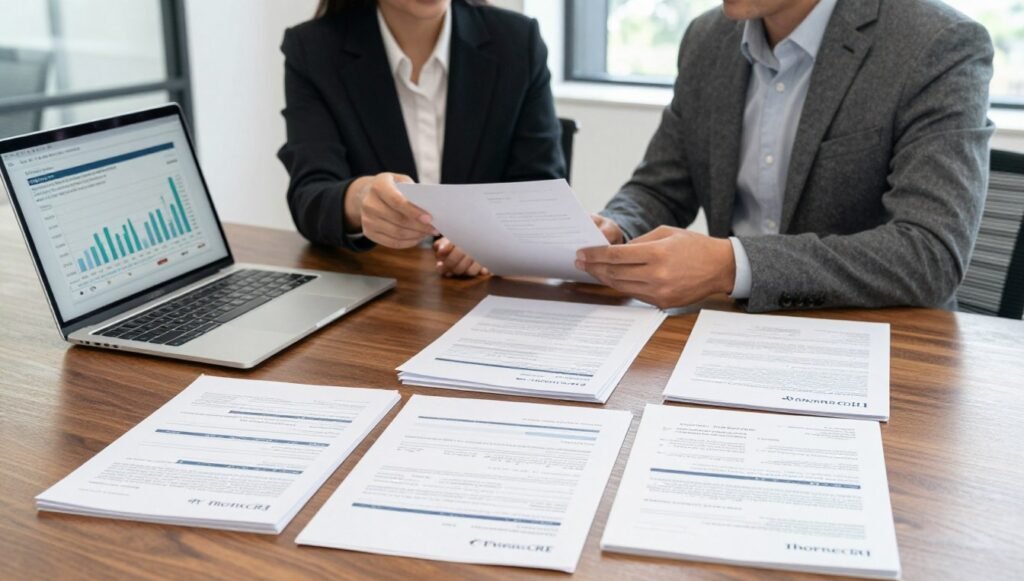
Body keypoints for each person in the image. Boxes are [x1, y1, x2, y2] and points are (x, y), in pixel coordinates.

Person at [576, 0, 994, 312]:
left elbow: (930, 254)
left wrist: (733, 266)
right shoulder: (707, 39)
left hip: (876, 343)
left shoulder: (937, 43)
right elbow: (661, 186)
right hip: (727, 334)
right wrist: (619, 227)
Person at [278, 0, 564, 277]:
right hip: (381, 287)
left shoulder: (517, 41)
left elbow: (541, 188)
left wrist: (490, 238)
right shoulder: (313, 49)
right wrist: (360, 200)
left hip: (490, 296)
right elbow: (310, 196)